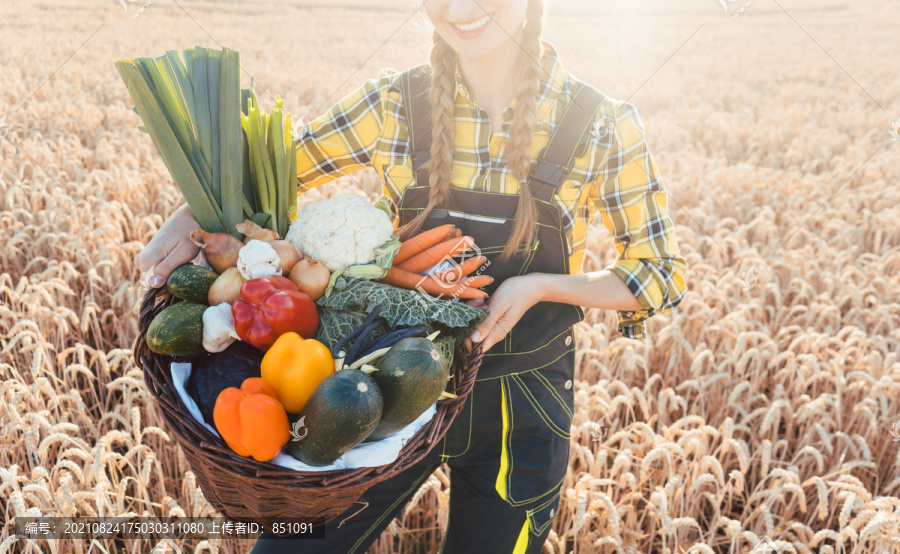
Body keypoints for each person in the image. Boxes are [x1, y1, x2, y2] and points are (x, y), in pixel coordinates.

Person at [134, 0, 687, 551]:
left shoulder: (598, 125)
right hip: (376, 390)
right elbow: (268, 172)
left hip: (521, 407)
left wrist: (539, 285)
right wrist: (194, 214)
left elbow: (659, 272)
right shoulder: (394, 103)